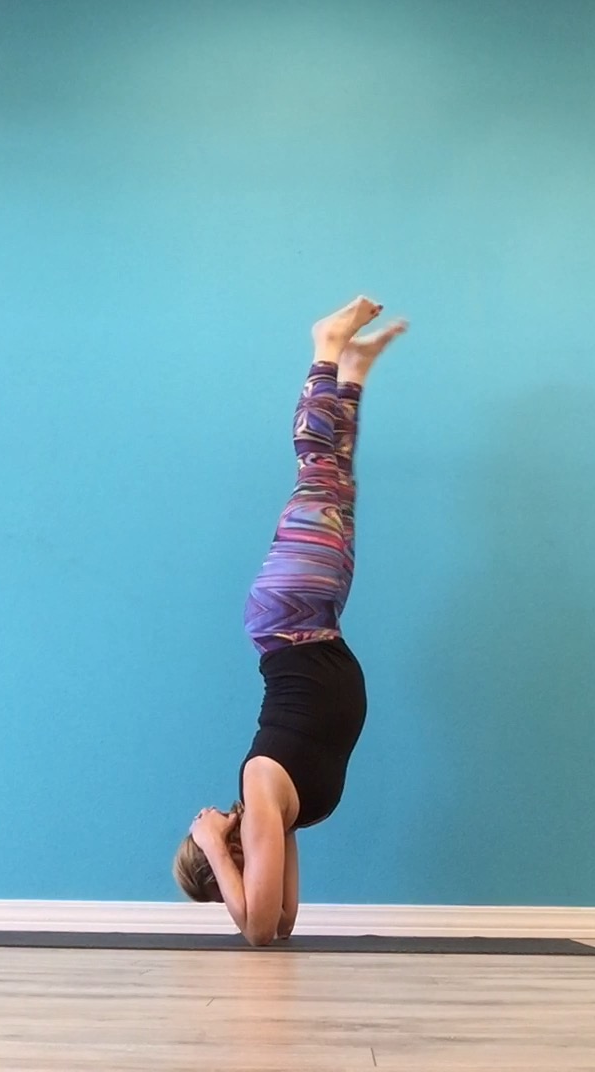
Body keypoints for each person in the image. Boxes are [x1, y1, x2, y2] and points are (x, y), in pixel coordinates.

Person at [173, 296, 407, 945]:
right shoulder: (281, 818)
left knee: (317, 471)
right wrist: (226, 859)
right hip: (315, 622)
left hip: (289, 620)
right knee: (338, 488)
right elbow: (278, 924)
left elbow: (255, 931)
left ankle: (326, 346)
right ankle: (352, 371)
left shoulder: (260, 788)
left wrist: (211, 845)